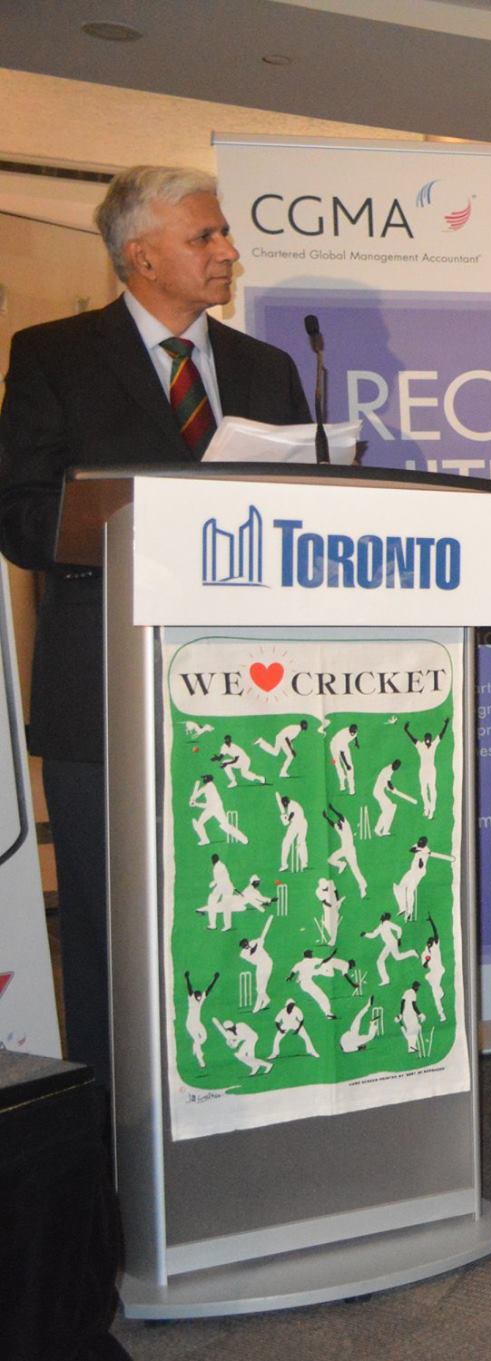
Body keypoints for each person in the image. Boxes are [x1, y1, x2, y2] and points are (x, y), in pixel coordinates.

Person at [0, 165, 309, 1087]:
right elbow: (21, 515)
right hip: (107, 686)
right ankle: (116, 1127)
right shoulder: (54, 355)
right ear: (140, 254)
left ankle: (237, 1102)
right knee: (115, 926)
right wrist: (144, 521)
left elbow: (306, 513)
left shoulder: (267, 369)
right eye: (204, 236)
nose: (228, 251)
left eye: (223, 234)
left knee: (245, 913)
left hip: (247, 691)